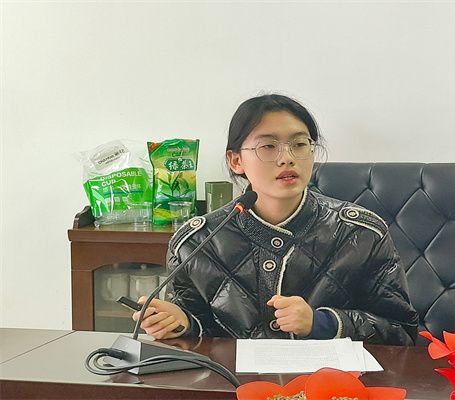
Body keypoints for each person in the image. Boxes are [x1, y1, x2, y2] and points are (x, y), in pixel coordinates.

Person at [133, 94, 419, 345]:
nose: (287, 158)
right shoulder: (196, 241)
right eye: (268, 147)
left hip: (330, 382)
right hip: (232, 382)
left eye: (300, 144)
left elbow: (401, 332)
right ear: (236, 161)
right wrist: (180, 323)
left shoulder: (361, 233)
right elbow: (199, 334)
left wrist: (322, 323)